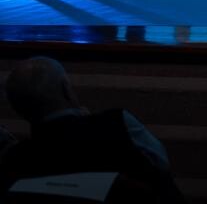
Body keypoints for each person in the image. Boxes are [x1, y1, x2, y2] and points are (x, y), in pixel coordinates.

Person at [1, 57, 183, 203]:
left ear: (18, 108)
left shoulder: (13, 161)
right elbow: (161, 166)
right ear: (66, 89)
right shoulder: (117, 123)